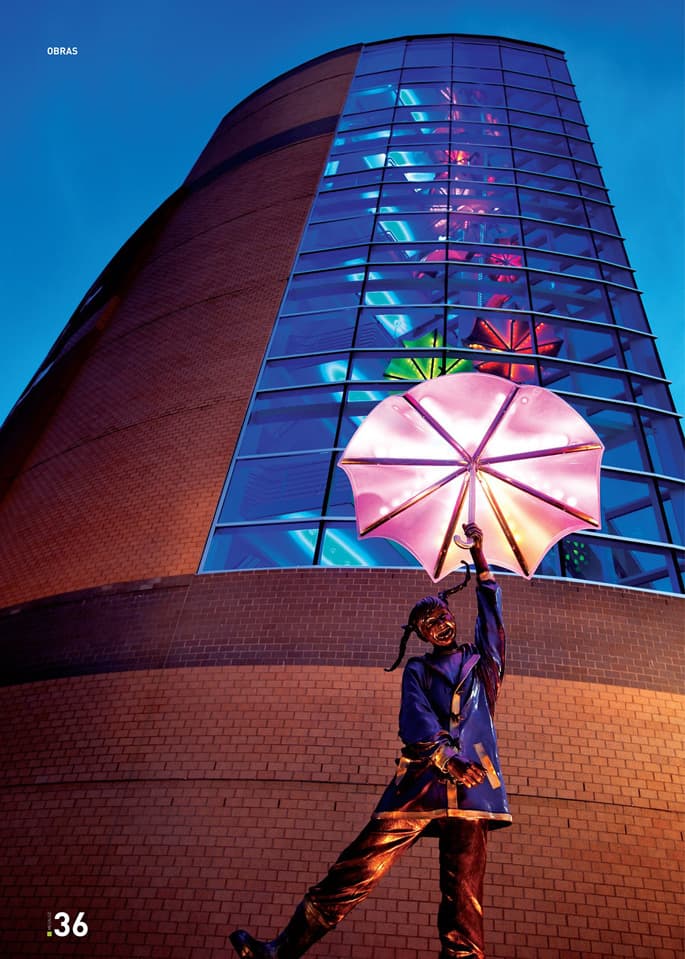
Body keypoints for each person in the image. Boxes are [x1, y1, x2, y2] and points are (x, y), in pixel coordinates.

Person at [230, 523, 510, 959]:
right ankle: (280, 951)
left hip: (473, 789)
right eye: (427, 624)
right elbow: (415, 719)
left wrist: (478, 556)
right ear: (418, 635)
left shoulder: (484, 664)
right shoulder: (417, 671)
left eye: (441, 616)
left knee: (464, 896)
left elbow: (492, 615)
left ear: (452, 616)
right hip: (419, 783)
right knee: (356, 867)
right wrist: (443, 756)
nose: (438, 625)